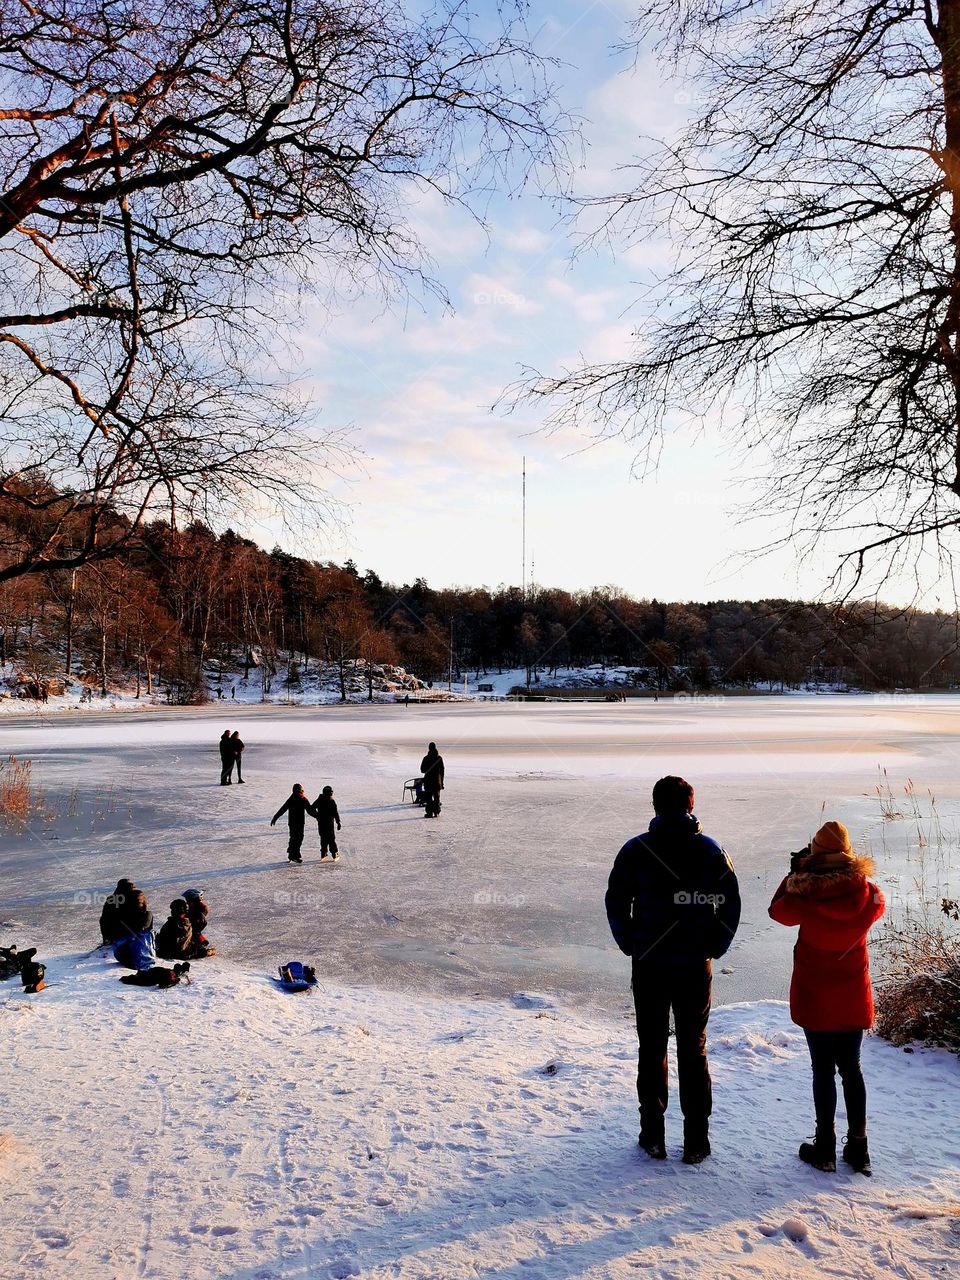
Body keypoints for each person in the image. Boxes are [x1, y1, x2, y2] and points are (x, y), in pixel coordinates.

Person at [605, 775, 741, 1164]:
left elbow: (616, 901)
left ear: (655, 806)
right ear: (690, 806)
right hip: (693, 965)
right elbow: (730, 904)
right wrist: (715, 945)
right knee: (693, 1048)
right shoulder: (711, 850)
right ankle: (696, 1140)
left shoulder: (636, 850)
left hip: (650, 964)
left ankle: (653, 1136)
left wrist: (630, 942)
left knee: (652, 1047)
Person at [769, 820, 885, 1175]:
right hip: (852, 994)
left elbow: (777, 911)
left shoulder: (805, 895)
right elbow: (878, 904)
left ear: (815, 855)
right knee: (851, 1068)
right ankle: (859, 1149)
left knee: (822, 1069)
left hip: (815, 996)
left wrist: (795, 875)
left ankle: (825, 1148)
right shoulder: (867, 892)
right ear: (848, 854)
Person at [111, 890, 156, 971]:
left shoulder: (123, 914)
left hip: (123, 957)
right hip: (139, 957)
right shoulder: (147, 914)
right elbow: (145, 927)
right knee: (145, 935)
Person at [271, 784, 317, 863]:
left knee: (293, 837)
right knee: (298, 838)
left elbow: (283, 809)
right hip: (299, 823)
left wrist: (275, 817)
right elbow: (310, 811)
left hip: (292, 822)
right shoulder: (303, 798)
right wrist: (319, 817)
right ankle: (294, 855)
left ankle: (291, 854)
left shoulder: (291, 798)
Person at [99, 878, 137, 944]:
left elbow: (103, 920)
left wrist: (106, 938)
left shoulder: (111, 899)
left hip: (114, 934)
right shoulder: (134, 897)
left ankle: (108, 940)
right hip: (127, 932)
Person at [182, 887, 215, 957]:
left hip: (196, 926)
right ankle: (202, 942)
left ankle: (203, 946)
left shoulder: (198, 909)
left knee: (194, 934)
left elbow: (199, 922)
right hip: (195, 925)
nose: (187, 902)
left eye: (188, 900)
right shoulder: (193, 906)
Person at [312, 785, 342, 860]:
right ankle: (334, 854)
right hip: (329, 823)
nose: (331, 793)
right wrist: (338, 822)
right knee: (331, 838)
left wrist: (317, 816)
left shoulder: (319, 800)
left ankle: (323, 853)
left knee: (323, 838)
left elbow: (311, 808)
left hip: (321, 822)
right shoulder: (331, 801)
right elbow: (335, 813)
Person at [420, 742, 444, 818]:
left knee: (428, 798)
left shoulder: (426, 758)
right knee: (436, 797)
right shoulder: (439, 758)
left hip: (428, 781)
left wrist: (428, 769)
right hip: (437, 781)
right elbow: (442, 771)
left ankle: (429, 813)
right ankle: (436, 811)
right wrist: (442, 782)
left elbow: (422, 770)